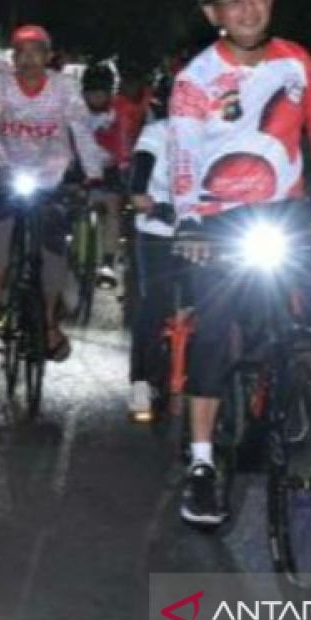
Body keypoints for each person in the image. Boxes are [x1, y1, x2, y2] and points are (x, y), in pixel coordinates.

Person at [167, 0, 311, 526]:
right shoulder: (196, 79)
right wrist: (189, 220)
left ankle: (295, 389)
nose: (248, 10)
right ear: (214, 14)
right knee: (215, 337)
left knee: (302, 309)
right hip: (215, 219)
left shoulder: (296, 59)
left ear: (271, 1)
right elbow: (183, 153)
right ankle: (200, 464)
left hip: (281, 211)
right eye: (234, 1)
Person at [0, 24, 106, 361]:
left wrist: (92, 174)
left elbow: (81, 129)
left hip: (51, 174)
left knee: (52, 246)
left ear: (48, 57)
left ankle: (49, 320)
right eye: (22, 53)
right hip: (4, 168)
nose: (29, 60)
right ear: (13, 58)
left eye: (37, 53)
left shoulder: (65, 87)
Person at [79, 62, 147, 288]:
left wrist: (124, 167)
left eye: (101, 93)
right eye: (91, 94)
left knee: (112, 206)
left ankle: (107, 263)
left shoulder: (122, 110)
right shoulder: (74, 109)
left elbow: (124, 144)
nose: (96, 98)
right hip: (79, 167)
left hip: (112, 167)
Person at [127, 115, 176, 420]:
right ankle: (141, 382)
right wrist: (139, 193)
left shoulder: (224, 129)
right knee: (156, 302)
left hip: (212, 233)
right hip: (159, 230)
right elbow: (142, 163)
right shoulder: (158, 132)